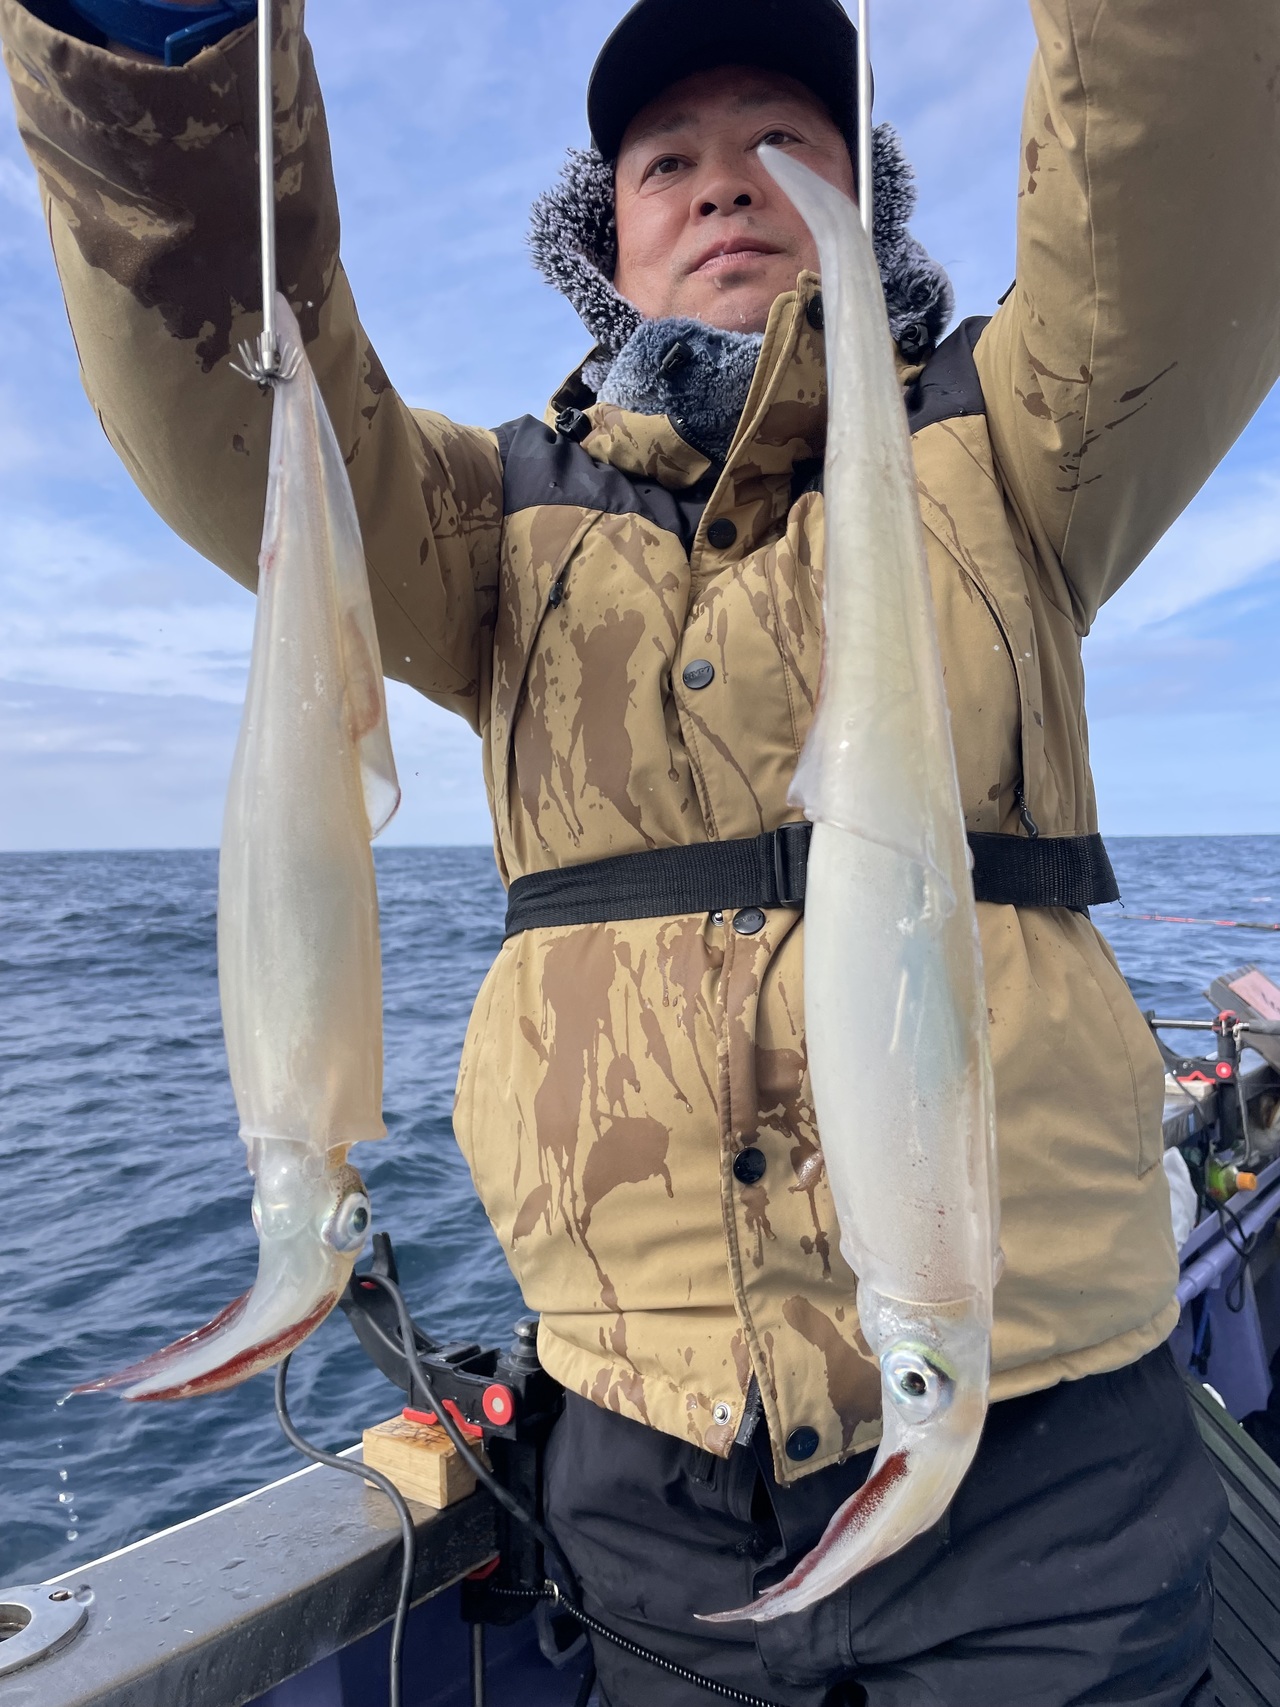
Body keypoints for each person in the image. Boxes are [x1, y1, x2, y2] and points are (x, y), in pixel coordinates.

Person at [3, 0, 1277, 1700]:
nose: (724, 184)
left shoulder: (1019, 443)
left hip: (1043, 1442)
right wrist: (150, 60)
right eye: (666, 162)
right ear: (604, 239)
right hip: (645, 1470)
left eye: (782, 143)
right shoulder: (489, 526)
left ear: (864, 191)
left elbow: (1172, 190)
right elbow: (238, 403)